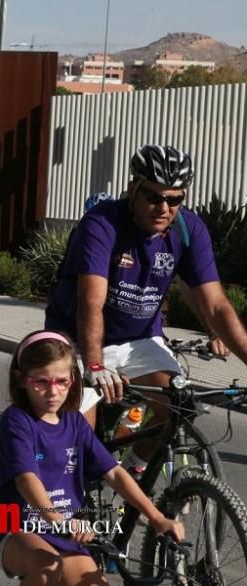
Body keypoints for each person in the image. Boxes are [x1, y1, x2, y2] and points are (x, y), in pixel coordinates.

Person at [45, 144, 247, 471]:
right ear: (132, 188)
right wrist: (94, 365)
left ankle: (134, 470)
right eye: (153, 196)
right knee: (78, 441)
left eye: (174, 199)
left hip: (140, 339)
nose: (163, 207)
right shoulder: (102, 223)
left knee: (182, 406)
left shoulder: (188, 229)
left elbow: (217, 305)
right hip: (77, 340)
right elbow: (91, 302)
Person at [0, 330, 182, 584]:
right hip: (14, 527)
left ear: (72, 381)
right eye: (41, 382)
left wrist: (157, 518)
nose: (53, 391)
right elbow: (27, 480)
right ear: (21, 379)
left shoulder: (74, 422)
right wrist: (58, 520)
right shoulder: (17, 422)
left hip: (63, 531)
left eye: (61, 382)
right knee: (47, 568)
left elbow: (113, 473)